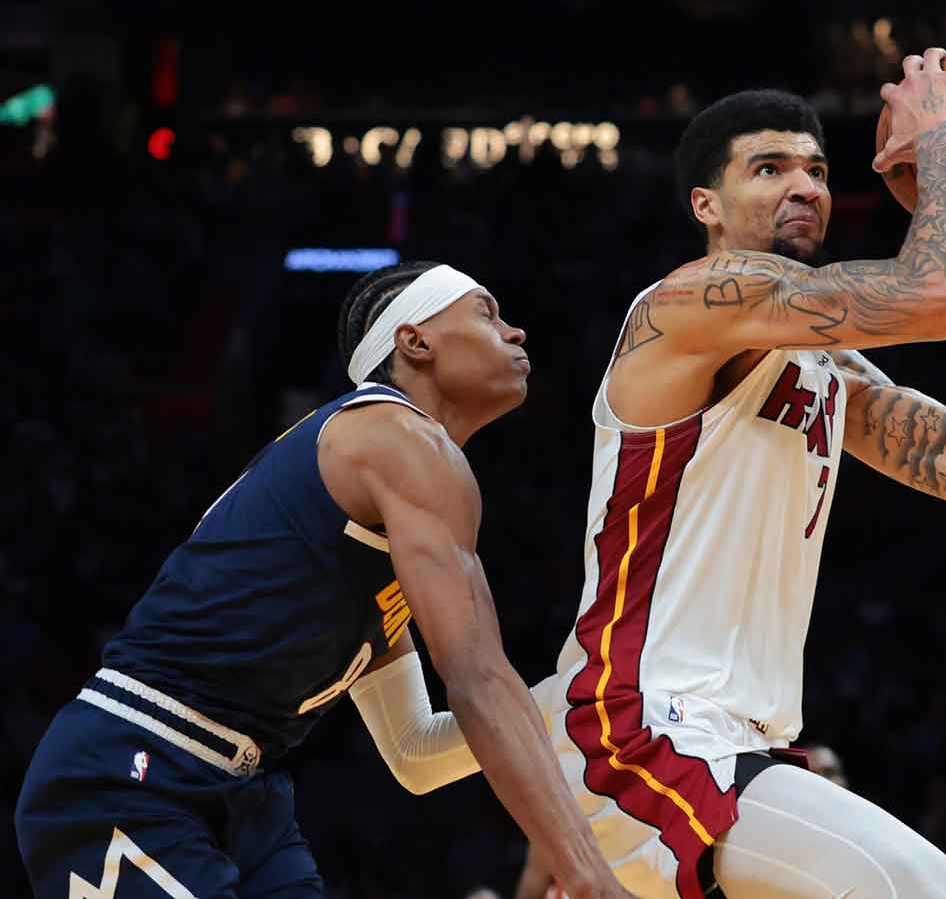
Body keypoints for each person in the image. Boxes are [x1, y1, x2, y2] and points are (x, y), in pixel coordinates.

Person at [521, 46, 946, 898]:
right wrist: (945, 128)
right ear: (708, 206)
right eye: (769, 169)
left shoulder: (827, 365)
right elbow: (945, 292)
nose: (804, 185)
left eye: (816, 169)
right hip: (640, 724)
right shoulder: (688, 302)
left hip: (738, 736)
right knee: (916, 884)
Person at [15, 262, 630, 898]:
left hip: (245, 794)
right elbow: (477, 678)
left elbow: (416, 752)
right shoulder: (396, 438)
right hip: (135, 762)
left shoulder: (387, 503)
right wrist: (587, 874)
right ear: (415, 341)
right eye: (486, 312)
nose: (516, 331)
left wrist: (571, 703)